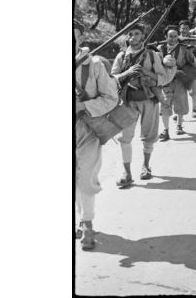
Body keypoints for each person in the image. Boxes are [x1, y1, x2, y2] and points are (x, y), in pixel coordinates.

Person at [75, 20, 119, 250]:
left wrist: (83, 107)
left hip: (86, 129)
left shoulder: (93, 65)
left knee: (86, 180)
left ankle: (88, 225)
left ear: (80, 39)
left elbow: (112, 98)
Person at [111, 24, 168, 187]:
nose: (133, 37)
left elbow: (163, 78)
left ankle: (146, 166)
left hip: (148, 99)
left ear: (143, 36)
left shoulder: (151, 55)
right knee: (125, 138)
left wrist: (145, 72)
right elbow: (112, 79)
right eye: (130, 34)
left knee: (149, 136)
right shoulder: (121, 56)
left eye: (137, 34)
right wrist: (127, 74)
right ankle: (127, 174)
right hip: (127, 100)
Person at [158, 27, 196, 136]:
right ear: (166, 37)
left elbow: (195, 64)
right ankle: (166, 130)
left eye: (175, 36)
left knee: (180, 103)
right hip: (165, 81)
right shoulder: (160, 49)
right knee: (165, 105)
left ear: (178, 37)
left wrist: (191, 53)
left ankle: (179, 126)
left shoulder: (184, 49)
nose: (173, 38)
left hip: (180, 81)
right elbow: (156, 66)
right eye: (170, 36)